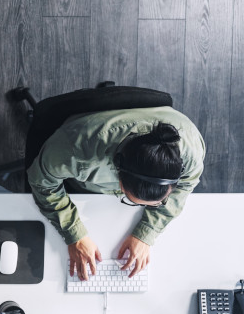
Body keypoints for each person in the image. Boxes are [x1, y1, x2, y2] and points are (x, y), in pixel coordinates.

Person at [27, 107, 205, 280]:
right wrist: (75, 235)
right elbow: (42, 183)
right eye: (131, 200)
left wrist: (146, 232)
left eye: (158, 202)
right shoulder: (75, 151)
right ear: (119, 181)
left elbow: (185, 185)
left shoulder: (191, 150)